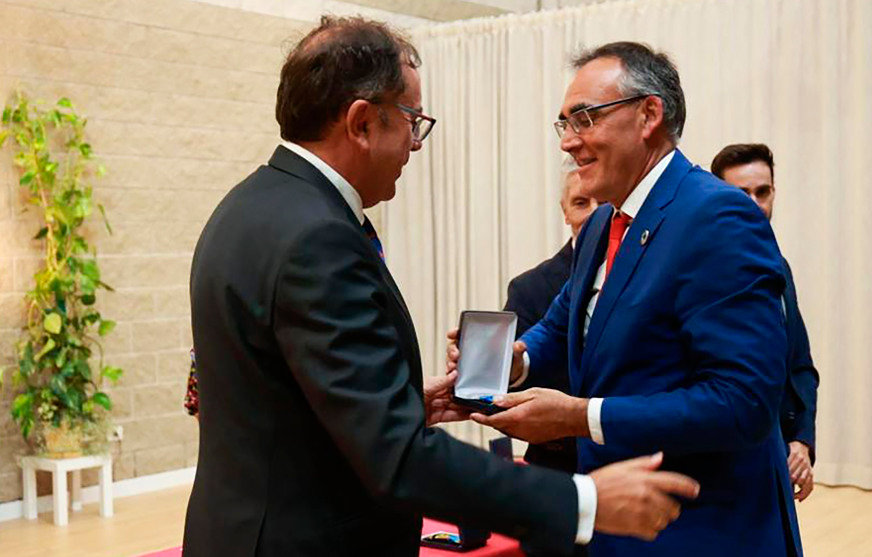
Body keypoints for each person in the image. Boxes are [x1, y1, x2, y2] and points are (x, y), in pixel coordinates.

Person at [183, 18, 699, 557]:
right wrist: (583, 500)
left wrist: (398, 401)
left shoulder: (250, 206)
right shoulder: (318, 239)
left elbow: (280, 403)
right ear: (362, 122)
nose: (415, 144)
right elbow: (399, 459)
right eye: (411, 121)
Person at [449, 42, 803, 556]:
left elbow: (743, 402)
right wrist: (512, 363)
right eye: (563, 124)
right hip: (620, 529)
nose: (569, 142)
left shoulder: (718, 218)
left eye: (585, 119)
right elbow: (563, 322)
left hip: (702, 532)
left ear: (649, 115)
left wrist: (578, 416)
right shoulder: (602, 222)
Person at [710, 143, 820, 502]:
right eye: (740, 194)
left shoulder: (779, 267)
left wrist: (801, 441)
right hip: (720, 468)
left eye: (763, 192)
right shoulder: (697, 273)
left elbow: (800, 366)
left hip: (776, 462)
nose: (755, 204)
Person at [504, 162, 597, 475]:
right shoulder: (530, 287)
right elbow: (507, 392)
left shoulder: (646, 270)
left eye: (603, 201)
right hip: (557, 470)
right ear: (565, 211)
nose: (594, 213)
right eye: (581, 203)